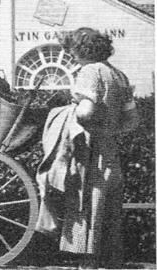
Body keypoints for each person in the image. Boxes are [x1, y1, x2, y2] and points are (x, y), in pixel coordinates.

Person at [37, 27, 135, 269]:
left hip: (89, 154)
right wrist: (109, 131)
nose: (70, 55)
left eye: (71, 50)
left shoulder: (89, 72)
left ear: (81, 50)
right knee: (108, 217)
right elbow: (132, 121)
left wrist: (72, 112)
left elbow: (86, 111)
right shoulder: (119, 75)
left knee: (87, 210)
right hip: (111, 154)